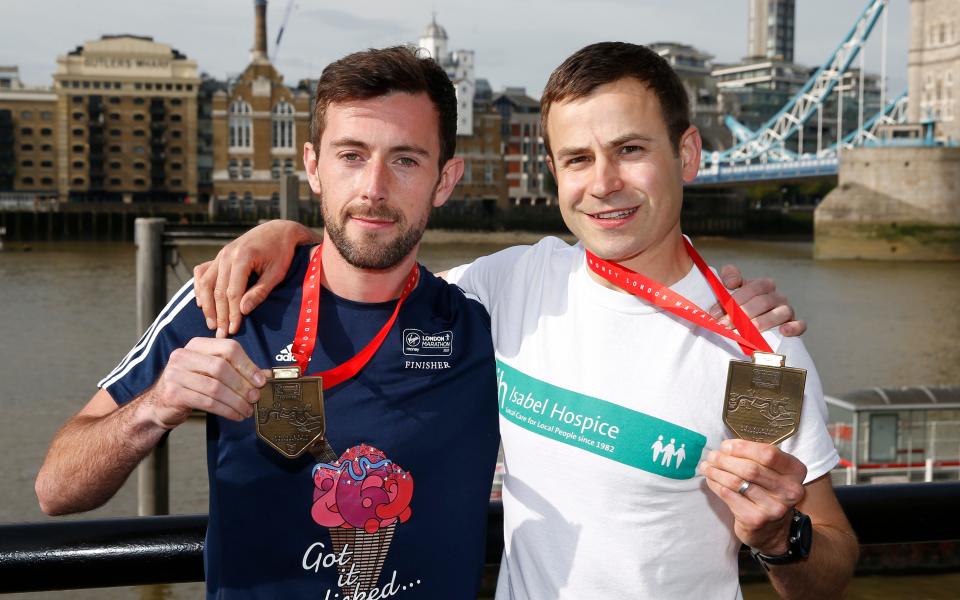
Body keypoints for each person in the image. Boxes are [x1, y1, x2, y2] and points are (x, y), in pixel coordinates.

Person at [193, 43, 858, 598]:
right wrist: (287, 232)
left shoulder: (757, 343)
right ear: (555, 173)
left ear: (686, 154)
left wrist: (781, 539)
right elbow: (372, 259)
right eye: (577, 159)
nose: (603, 183)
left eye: (630, 150)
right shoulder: (512, 283)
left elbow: (833, 564)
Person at [35, 46, 502, 600]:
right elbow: (55, 489)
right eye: (351, 155)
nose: (373, 187)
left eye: (406, 160)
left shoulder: (484, 320)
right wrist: (155, 407)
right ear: (312, 166)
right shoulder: (229, 298)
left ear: (445, 180)